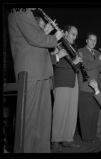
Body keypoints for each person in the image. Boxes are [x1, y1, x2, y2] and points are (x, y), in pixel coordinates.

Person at [8, 8, 63, 152]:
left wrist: (45, 30)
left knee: (42, 122)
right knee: (30, 121)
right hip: (31, 72)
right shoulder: (20, 11)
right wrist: (55, 37)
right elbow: (34, 39)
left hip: (41, 72)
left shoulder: (26, 14)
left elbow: (31, 39)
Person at [51, 25, 83, 150]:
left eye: (76, 35)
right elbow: (53, 62)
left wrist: (79, 61)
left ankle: (68, 139)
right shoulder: (57, 43)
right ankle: (56, 140)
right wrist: (74, 62)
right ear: (65, 33)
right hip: (62, 80)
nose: (75, 37)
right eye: (73, 34)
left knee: (71, 112)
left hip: (73, 81)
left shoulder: (73, 47)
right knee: (60, 112)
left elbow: (76, 66)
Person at [77, 33, 101, 143]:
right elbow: (85, 66)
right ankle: (86, 138)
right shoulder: (81, 51)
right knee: (86, 114)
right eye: (91, 40)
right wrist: (99, 59)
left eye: (95, 40)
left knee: (95, 113)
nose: (93, 42)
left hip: (96, 88)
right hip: (85, 87)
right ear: (86, 40)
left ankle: (92, 136)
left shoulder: (97, 53)